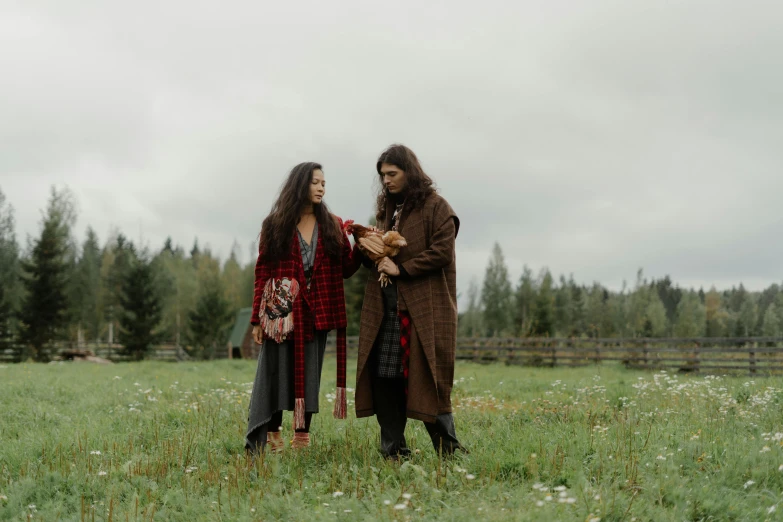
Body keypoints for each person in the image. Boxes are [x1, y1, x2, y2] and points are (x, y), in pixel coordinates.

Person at [353, 144, 465, 459]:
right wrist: (368, 247)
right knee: (385, 378)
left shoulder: (436, 207)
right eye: (382, 175)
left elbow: (442, 252)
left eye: (392, 173)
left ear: (409, 171)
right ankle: (393, 451)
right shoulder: (388, 210)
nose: (386, 180)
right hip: (387, 307)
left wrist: (401, 269)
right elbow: (383, 254)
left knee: (430, 376)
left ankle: (449, 451)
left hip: (424, 309)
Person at [246, 162, 360, 454]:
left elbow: (346, 269)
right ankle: (272, 434)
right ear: (300, 185)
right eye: (315, 182)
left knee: (308, 374)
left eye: (324, 182)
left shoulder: (333, 224)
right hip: (280, 314)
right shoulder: (274, 224)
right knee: (276, 372)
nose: (322, 187)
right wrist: (256, 320)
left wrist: (359, 244)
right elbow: (262, 271)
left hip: (317, 312)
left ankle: (301, 438)